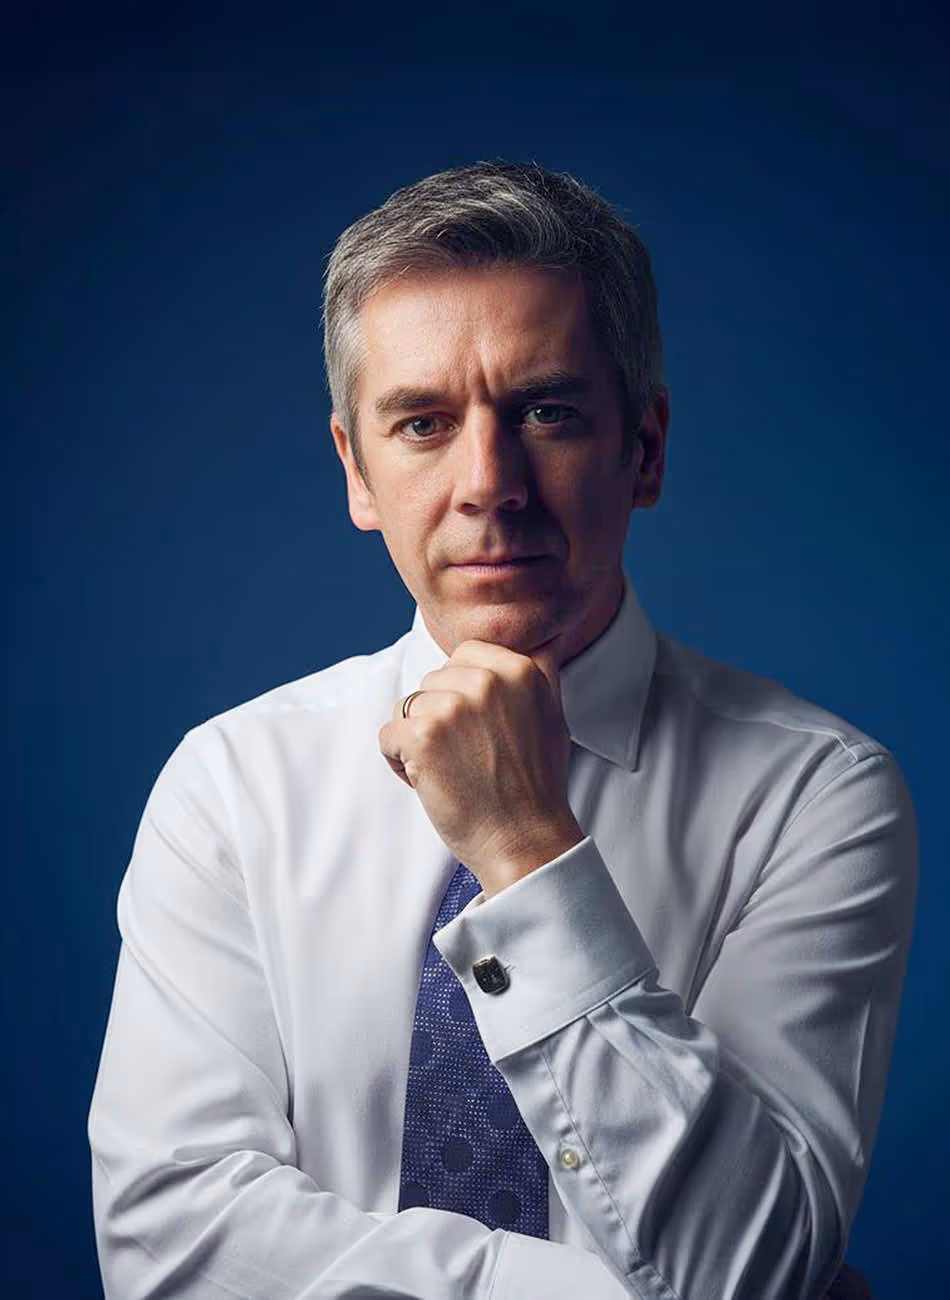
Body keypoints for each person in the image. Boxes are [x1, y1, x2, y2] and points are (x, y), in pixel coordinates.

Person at [88, 160, 914, 1300]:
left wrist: (524, 847)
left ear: (645, 448)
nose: (488, 482)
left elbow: (743, 1268)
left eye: (546, 411)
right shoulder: (231, 785)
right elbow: (170, 1246)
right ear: (356, 472)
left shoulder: (814, 794)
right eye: (423, 422)